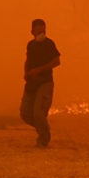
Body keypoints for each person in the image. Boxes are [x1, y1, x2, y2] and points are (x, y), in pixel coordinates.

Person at [19, 18, 60, 147]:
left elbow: (56, 61)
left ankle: (44, 138)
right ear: (32, 31)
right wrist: (26, 73)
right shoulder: (30, 45)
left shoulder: (49, 44)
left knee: (38, 112)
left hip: (45, 83)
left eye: (43, 30)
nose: (41, 33)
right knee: (25, 113)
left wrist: (40, 70)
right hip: (31, 84)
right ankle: (43, 129)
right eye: (38, 30)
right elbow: (28, 60)